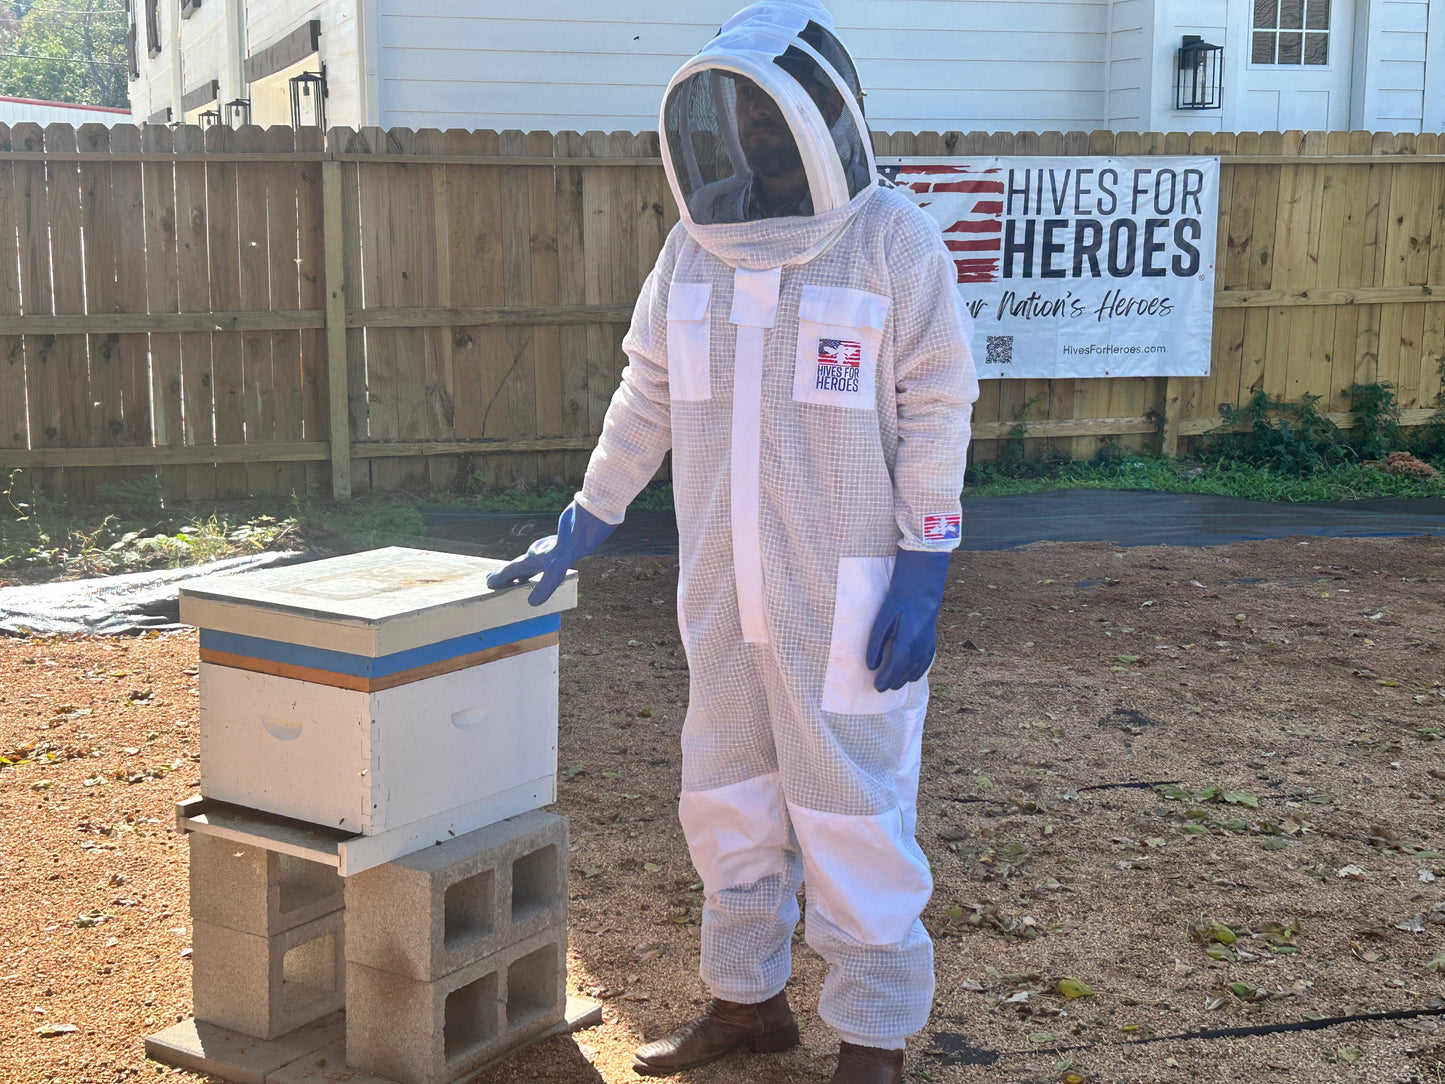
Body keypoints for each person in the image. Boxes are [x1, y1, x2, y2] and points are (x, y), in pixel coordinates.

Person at [487, 4, 978, 1081]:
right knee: (725, 792)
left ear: (825, 115)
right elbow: (647, 392)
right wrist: (587, 515)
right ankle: (745, 1003)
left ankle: (874, 1033)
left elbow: (937, 401)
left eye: (770, 116)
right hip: (721, 583)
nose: (754, 138)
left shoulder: (890, 237)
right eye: (738, 118)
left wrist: (923, 564)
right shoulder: (691, 249)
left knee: (850, 802)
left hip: (848, 587)